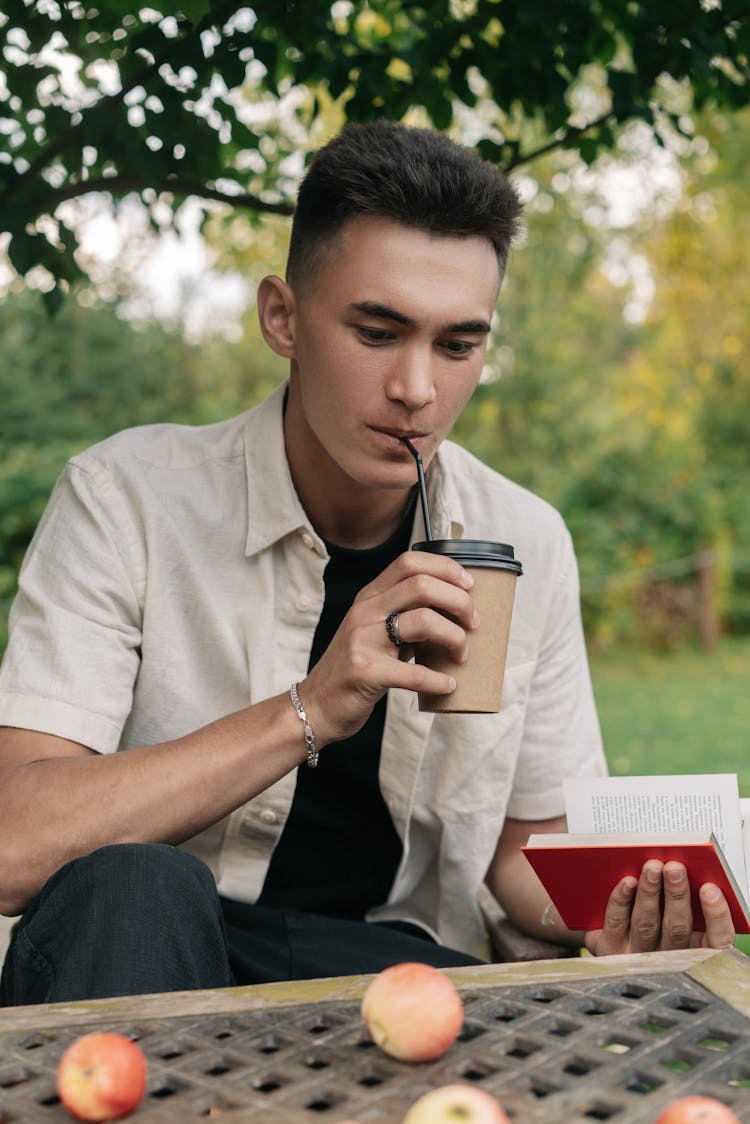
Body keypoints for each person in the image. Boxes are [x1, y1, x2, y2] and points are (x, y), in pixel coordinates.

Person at [0, 121, 735, 1006]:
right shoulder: (126, 500)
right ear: (284, 317)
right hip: (164, 957)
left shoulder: (523, 540)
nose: (419, 389)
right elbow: (14, 844)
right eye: (378, 332)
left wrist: (611, 909)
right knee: (138, 884)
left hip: (395, 968)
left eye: (458, 345)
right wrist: (314, 705)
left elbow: (522, 848)